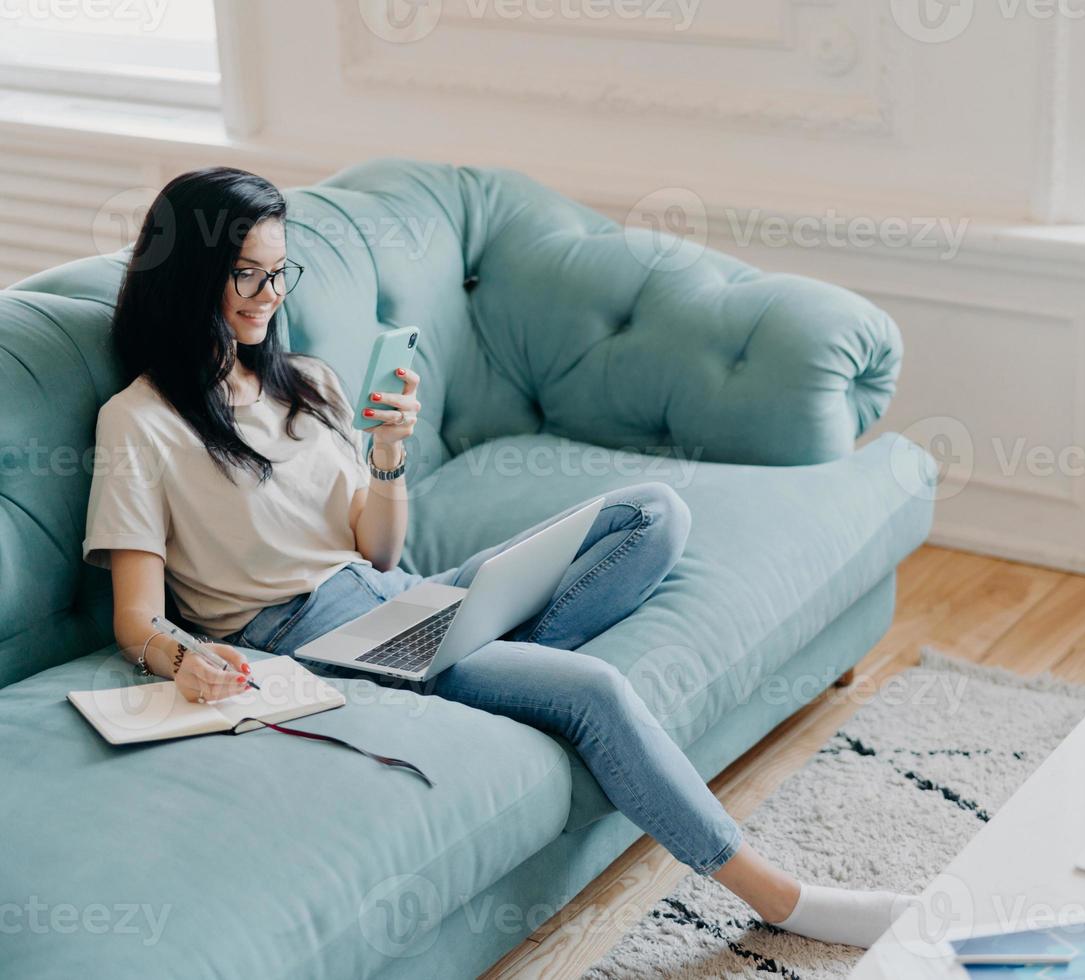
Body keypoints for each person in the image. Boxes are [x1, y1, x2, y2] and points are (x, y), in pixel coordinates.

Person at [81, 167, 920, 950]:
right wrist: (184, 657)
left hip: (396, 595)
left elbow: (380, 547)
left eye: (280, 273)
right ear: (193, 277)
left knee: (651, 514)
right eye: (247, 275)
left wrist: (386, 453)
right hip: (313, 637)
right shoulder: (139, 422)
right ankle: (782, 901)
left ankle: (491, 673)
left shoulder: (308, 382)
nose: (269, 297)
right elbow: (135, 616)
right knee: (594, 691)